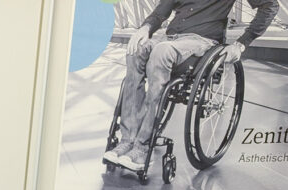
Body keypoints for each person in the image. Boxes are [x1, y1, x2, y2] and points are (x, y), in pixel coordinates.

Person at [105, 0, 278, 172]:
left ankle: (142, 146)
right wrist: (145, 28)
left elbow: (270, 5)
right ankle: (128, 140)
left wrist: (240, 45)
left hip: (201, 43)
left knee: (161, 52)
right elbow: (161, 11)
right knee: (136, 49)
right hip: (170, 38)